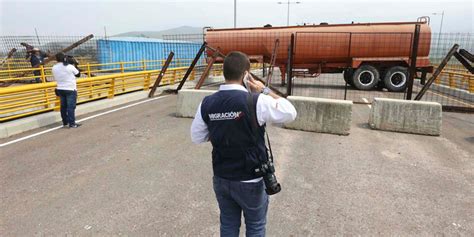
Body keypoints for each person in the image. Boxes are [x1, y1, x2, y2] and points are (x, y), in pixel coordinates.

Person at [191, 51, 297, 236]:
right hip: (251, 179)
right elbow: (290, 112)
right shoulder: (256, 101)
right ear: (246, 74)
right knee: (255, 226)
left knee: (228, 225)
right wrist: (264, 90)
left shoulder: (207, 102)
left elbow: (197, 136)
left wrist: (221, 128)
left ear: (224, 73)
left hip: (222, 177)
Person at [52, 53, 81, 128]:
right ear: (64, 58)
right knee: (71, 107)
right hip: (70, 89)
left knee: (63, 107)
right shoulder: (70, 66)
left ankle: (65, 122)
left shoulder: (54, 67)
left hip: (60, 89)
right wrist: (75, 65)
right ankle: (72, 123)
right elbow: (78, 74)